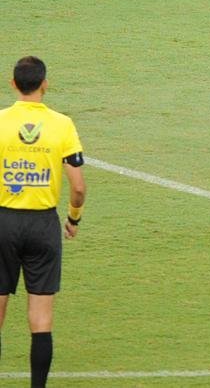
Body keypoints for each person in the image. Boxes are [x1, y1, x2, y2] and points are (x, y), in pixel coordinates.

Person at [0, 57, 86, 388]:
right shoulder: (62, 124)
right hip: (43, 225)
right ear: (45, 84)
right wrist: (73, 218)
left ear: (13, 84)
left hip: (3, 221)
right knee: (41, 319)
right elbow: (78, 187)